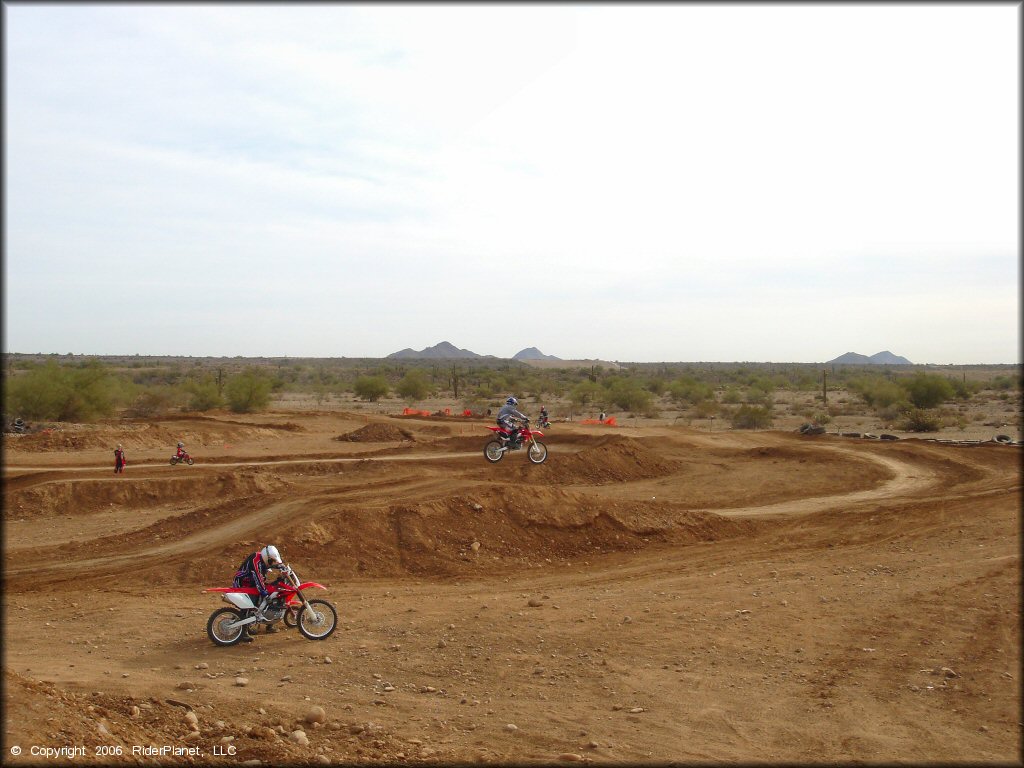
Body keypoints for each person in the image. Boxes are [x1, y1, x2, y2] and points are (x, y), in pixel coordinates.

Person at [233, 545, 285, 638]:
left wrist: (281, 566)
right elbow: (258, 579)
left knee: (271, 594)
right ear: (267, 559)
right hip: (242, 583)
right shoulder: (255, 561)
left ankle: (270, 622)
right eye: (272, 561)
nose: (272, 563)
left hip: (252, 583)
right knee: (250, 604)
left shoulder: (263, 558)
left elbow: (272, 565)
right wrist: (264, 593)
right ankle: (243, 632)